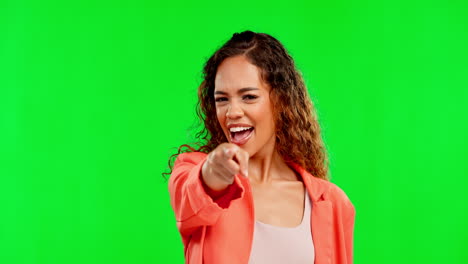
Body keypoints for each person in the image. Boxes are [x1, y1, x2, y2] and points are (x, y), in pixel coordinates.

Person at [166, 30, 355, 264]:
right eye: (222, 99)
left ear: (281, 100)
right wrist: (213, 171)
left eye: (248, 97)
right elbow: (194, 191)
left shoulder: (332, 202)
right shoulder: (194, 172)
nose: (232, 112)